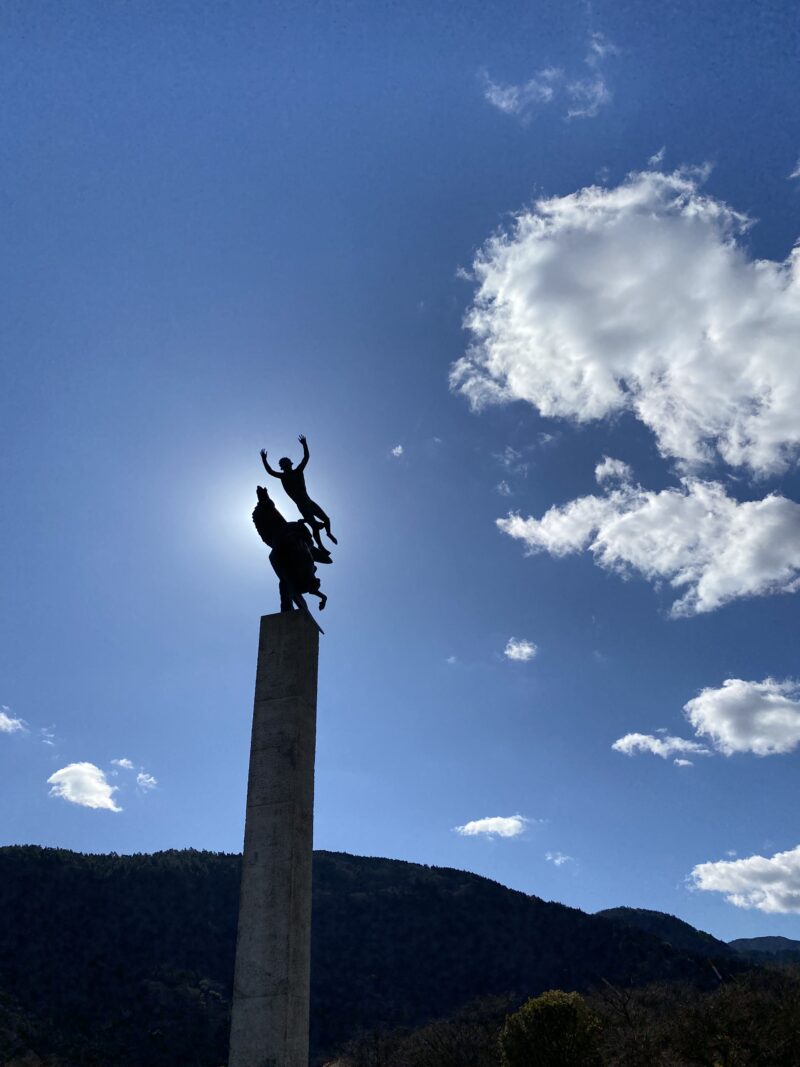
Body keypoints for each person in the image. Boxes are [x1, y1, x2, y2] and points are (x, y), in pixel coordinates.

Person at [252, 485, 327, 614]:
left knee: (285, 580)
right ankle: (286, 605)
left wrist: (308, 545)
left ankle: (286, 603)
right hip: (285, 551)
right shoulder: (281, 534)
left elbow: (309, 541)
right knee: (283, 579)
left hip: (298, 551)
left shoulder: (295, 530)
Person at [260, 434, 337, 549]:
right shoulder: (283, 476)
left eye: (287, 463)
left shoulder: (298, 471)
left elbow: (306, 457)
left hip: (309, 501)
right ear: (283, 467)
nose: (286, 466)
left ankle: (328, 533)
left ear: (290, 464)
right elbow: (270, 471)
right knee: (315, 527)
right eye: (284, 464)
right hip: (302, 504)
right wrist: (264, 460)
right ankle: (320, 545)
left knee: (326, 519)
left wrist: (305, 444)